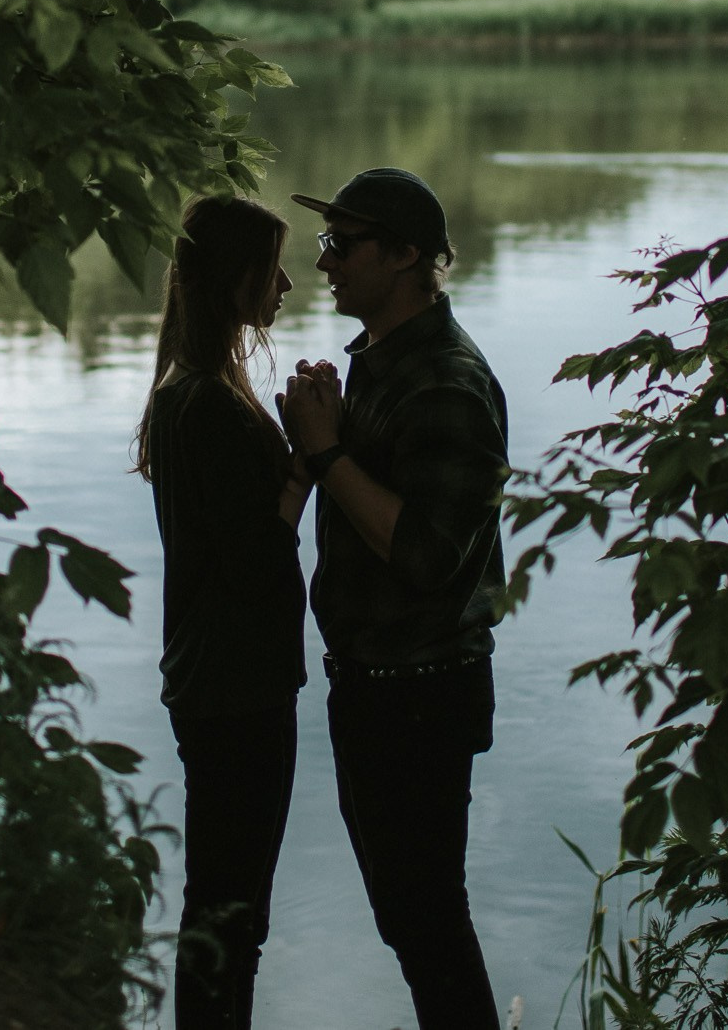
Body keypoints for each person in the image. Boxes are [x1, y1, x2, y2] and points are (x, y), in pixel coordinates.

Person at [278, 167, 507, 1030]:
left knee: (428, 921)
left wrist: (327, 452)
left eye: (344, 244)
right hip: (377, 686)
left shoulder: (445, 381)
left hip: (421, 693)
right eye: (325, 242)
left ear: (406, 255)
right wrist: (324, 437)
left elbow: (426, 556)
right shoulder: (381, 362)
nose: (325, 262)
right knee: (414, 921)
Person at [135, 194, 309, 1030]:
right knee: (231, 912)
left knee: (224, 905)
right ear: (234, 276)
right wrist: (307, 467)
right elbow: (258, 558)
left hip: (213, 675)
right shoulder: (209, 403)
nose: (286, 284)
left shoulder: (190, 389)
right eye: (271, 267)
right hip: (237, 684)